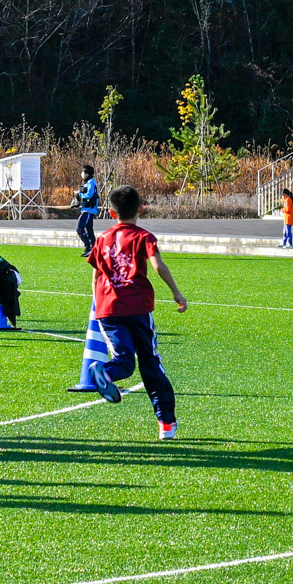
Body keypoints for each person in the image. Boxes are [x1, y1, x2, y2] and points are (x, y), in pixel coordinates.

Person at [84, 184, 188, 438]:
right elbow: (158, 265)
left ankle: (105, 372)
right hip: (137, 307)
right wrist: (176, 292)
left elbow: (96, 275)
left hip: (108, 309)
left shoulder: (102, 239)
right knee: (150, 363)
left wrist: (98, 303)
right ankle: (166, 423)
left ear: (111, 212)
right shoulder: (143, 237)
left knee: (124, 361)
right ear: (140, 209)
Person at [76, 164, 101, 255]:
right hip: (87, 209)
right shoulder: (88, 182)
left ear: (86, 173)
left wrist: (79, 194)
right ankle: (93, 248)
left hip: (89, 210)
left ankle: (88, 246)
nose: (82, 174)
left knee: (79, 228)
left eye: (83, 172)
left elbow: (89, 195)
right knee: (89, 229)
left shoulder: (91, 182)